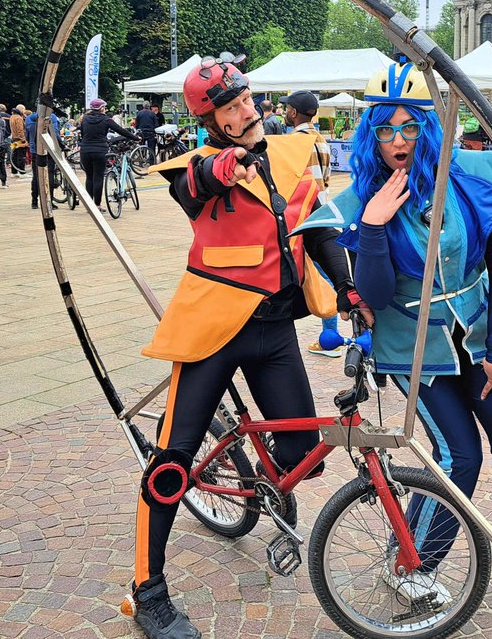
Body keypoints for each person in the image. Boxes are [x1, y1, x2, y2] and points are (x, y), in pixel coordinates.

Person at [299, 61, 492, 609]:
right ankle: (409, 563)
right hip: (412, 350)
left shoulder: (471, 178)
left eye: (409, 126)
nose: (397, 140)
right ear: (370, 134)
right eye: (385, 128)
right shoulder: (363, 198)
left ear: (429, 128)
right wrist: (370, 225)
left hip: (484, 342)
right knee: (460, 456)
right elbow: (379, 295)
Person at [128, 55, 359, 639]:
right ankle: (148, 592)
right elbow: (194, 185)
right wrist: (227, 165)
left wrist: (351, 289)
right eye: (229, 108)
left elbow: (320, 231)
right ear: (212, 121)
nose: (245, 111)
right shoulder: (200, 163)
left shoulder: (291, 153)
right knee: (171, 465)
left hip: (277, 331)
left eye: (246, 99)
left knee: (305, 445)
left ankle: (258, 480)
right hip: (214, 333)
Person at [280, 91, 341, 358]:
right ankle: (334, 332)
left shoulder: (291, 143)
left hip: (303, 215)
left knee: (320, 274)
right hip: (323, 210)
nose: (285, 113)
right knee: (326, 269)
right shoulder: (322, 141)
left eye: (287, 109)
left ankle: (331, 335)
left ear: (294, 112)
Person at [79, 99, 139, 210]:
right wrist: (136, 138)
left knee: (89, 177)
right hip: (100, 150)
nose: (105, 110)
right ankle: (97, 205)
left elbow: (83, 134)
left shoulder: (85, 119)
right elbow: (121, 131)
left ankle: (89, 206)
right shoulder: (106, 119)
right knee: (98, 177)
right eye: (104, 107)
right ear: (101, 108)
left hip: (85, 150)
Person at [25, 106, 63, 210]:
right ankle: (48, 201)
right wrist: (62, 145)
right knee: (49, 174)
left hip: (35, 150)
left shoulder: (28, 118)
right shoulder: (52, 118)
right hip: (49, 149)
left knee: (36, 175)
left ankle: (34, 201)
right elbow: (55, 133)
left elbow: (27, 135)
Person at [9, 105, 28, 175]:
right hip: (19, 139)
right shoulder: (19, 118)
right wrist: (23, 140)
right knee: (21, 156)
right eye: (24, 110)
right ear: (21, 109)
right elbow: (20, 130)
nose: (24, 111)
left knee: (14, 156)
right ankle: (21, 172)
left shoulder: (12, 117)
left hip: (13, 138)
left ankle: (14, 172)